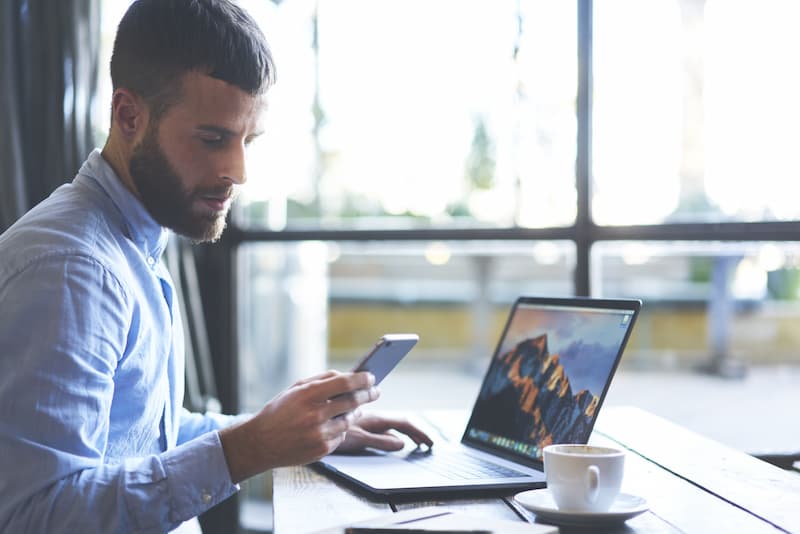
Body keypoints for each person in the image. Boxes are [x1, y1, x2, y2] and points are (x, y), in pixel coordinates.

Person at [0, 1, 432, 532]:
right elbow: (34, 515)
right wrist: (246, 449)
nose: (238, 171)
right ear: (129, 116)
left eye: (248, 140)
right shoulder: (73, 270)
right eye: (213, 139)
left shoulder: (131, 241)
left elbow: (145, 436)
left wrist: (290, 431)